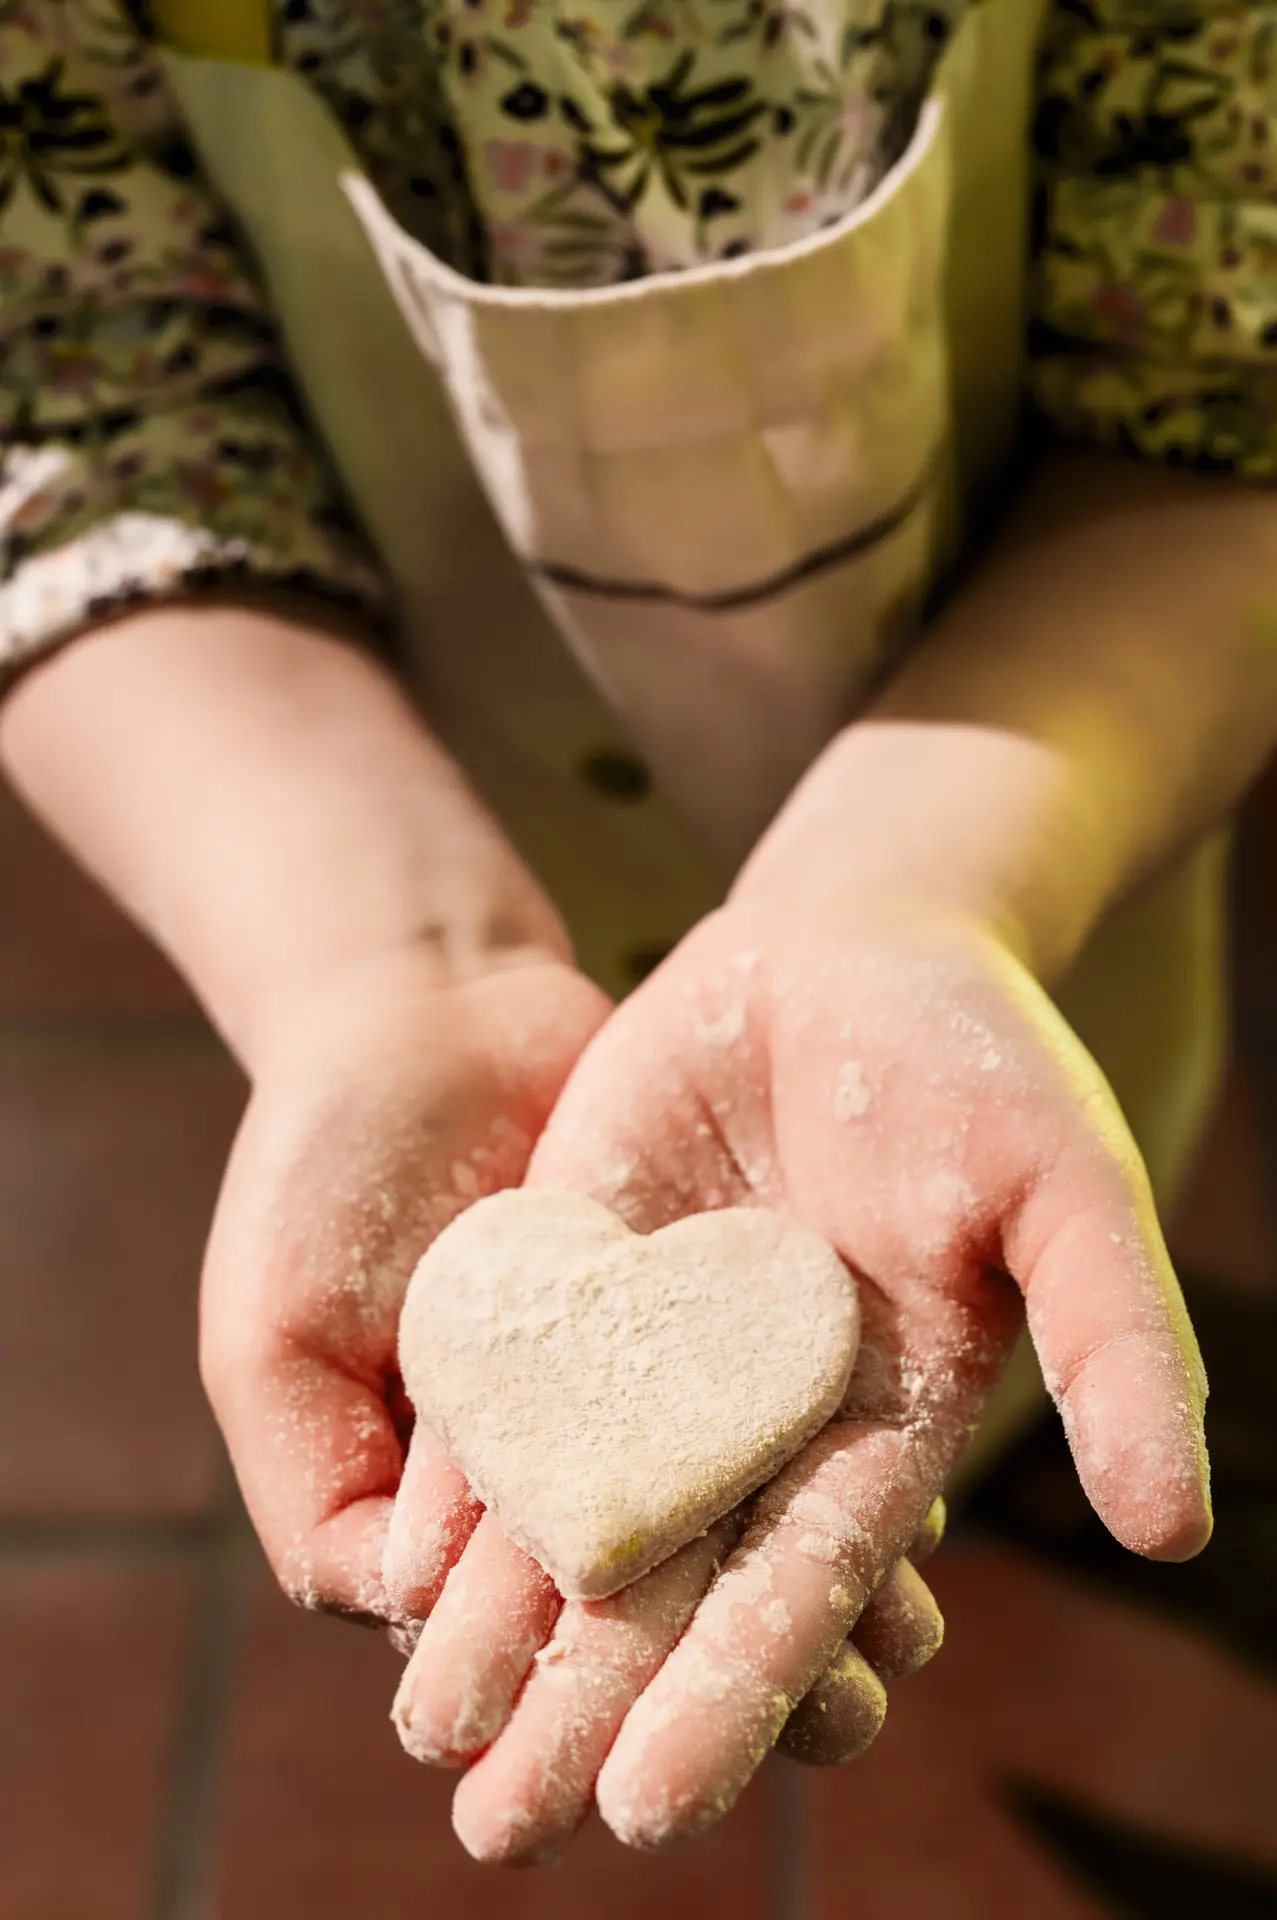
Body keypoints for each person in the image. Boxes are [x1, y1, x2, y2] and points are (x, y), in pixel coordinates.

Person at [0, 0, 1270, 1868]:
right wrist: (377, 964)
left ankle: (1004, 1484)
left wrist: (922, 884)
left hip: (1031, 844)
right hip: (416, 762)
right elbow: (72, 407)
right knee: (917, 1416)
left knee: (1020, 1312)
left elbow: (1225, 387)